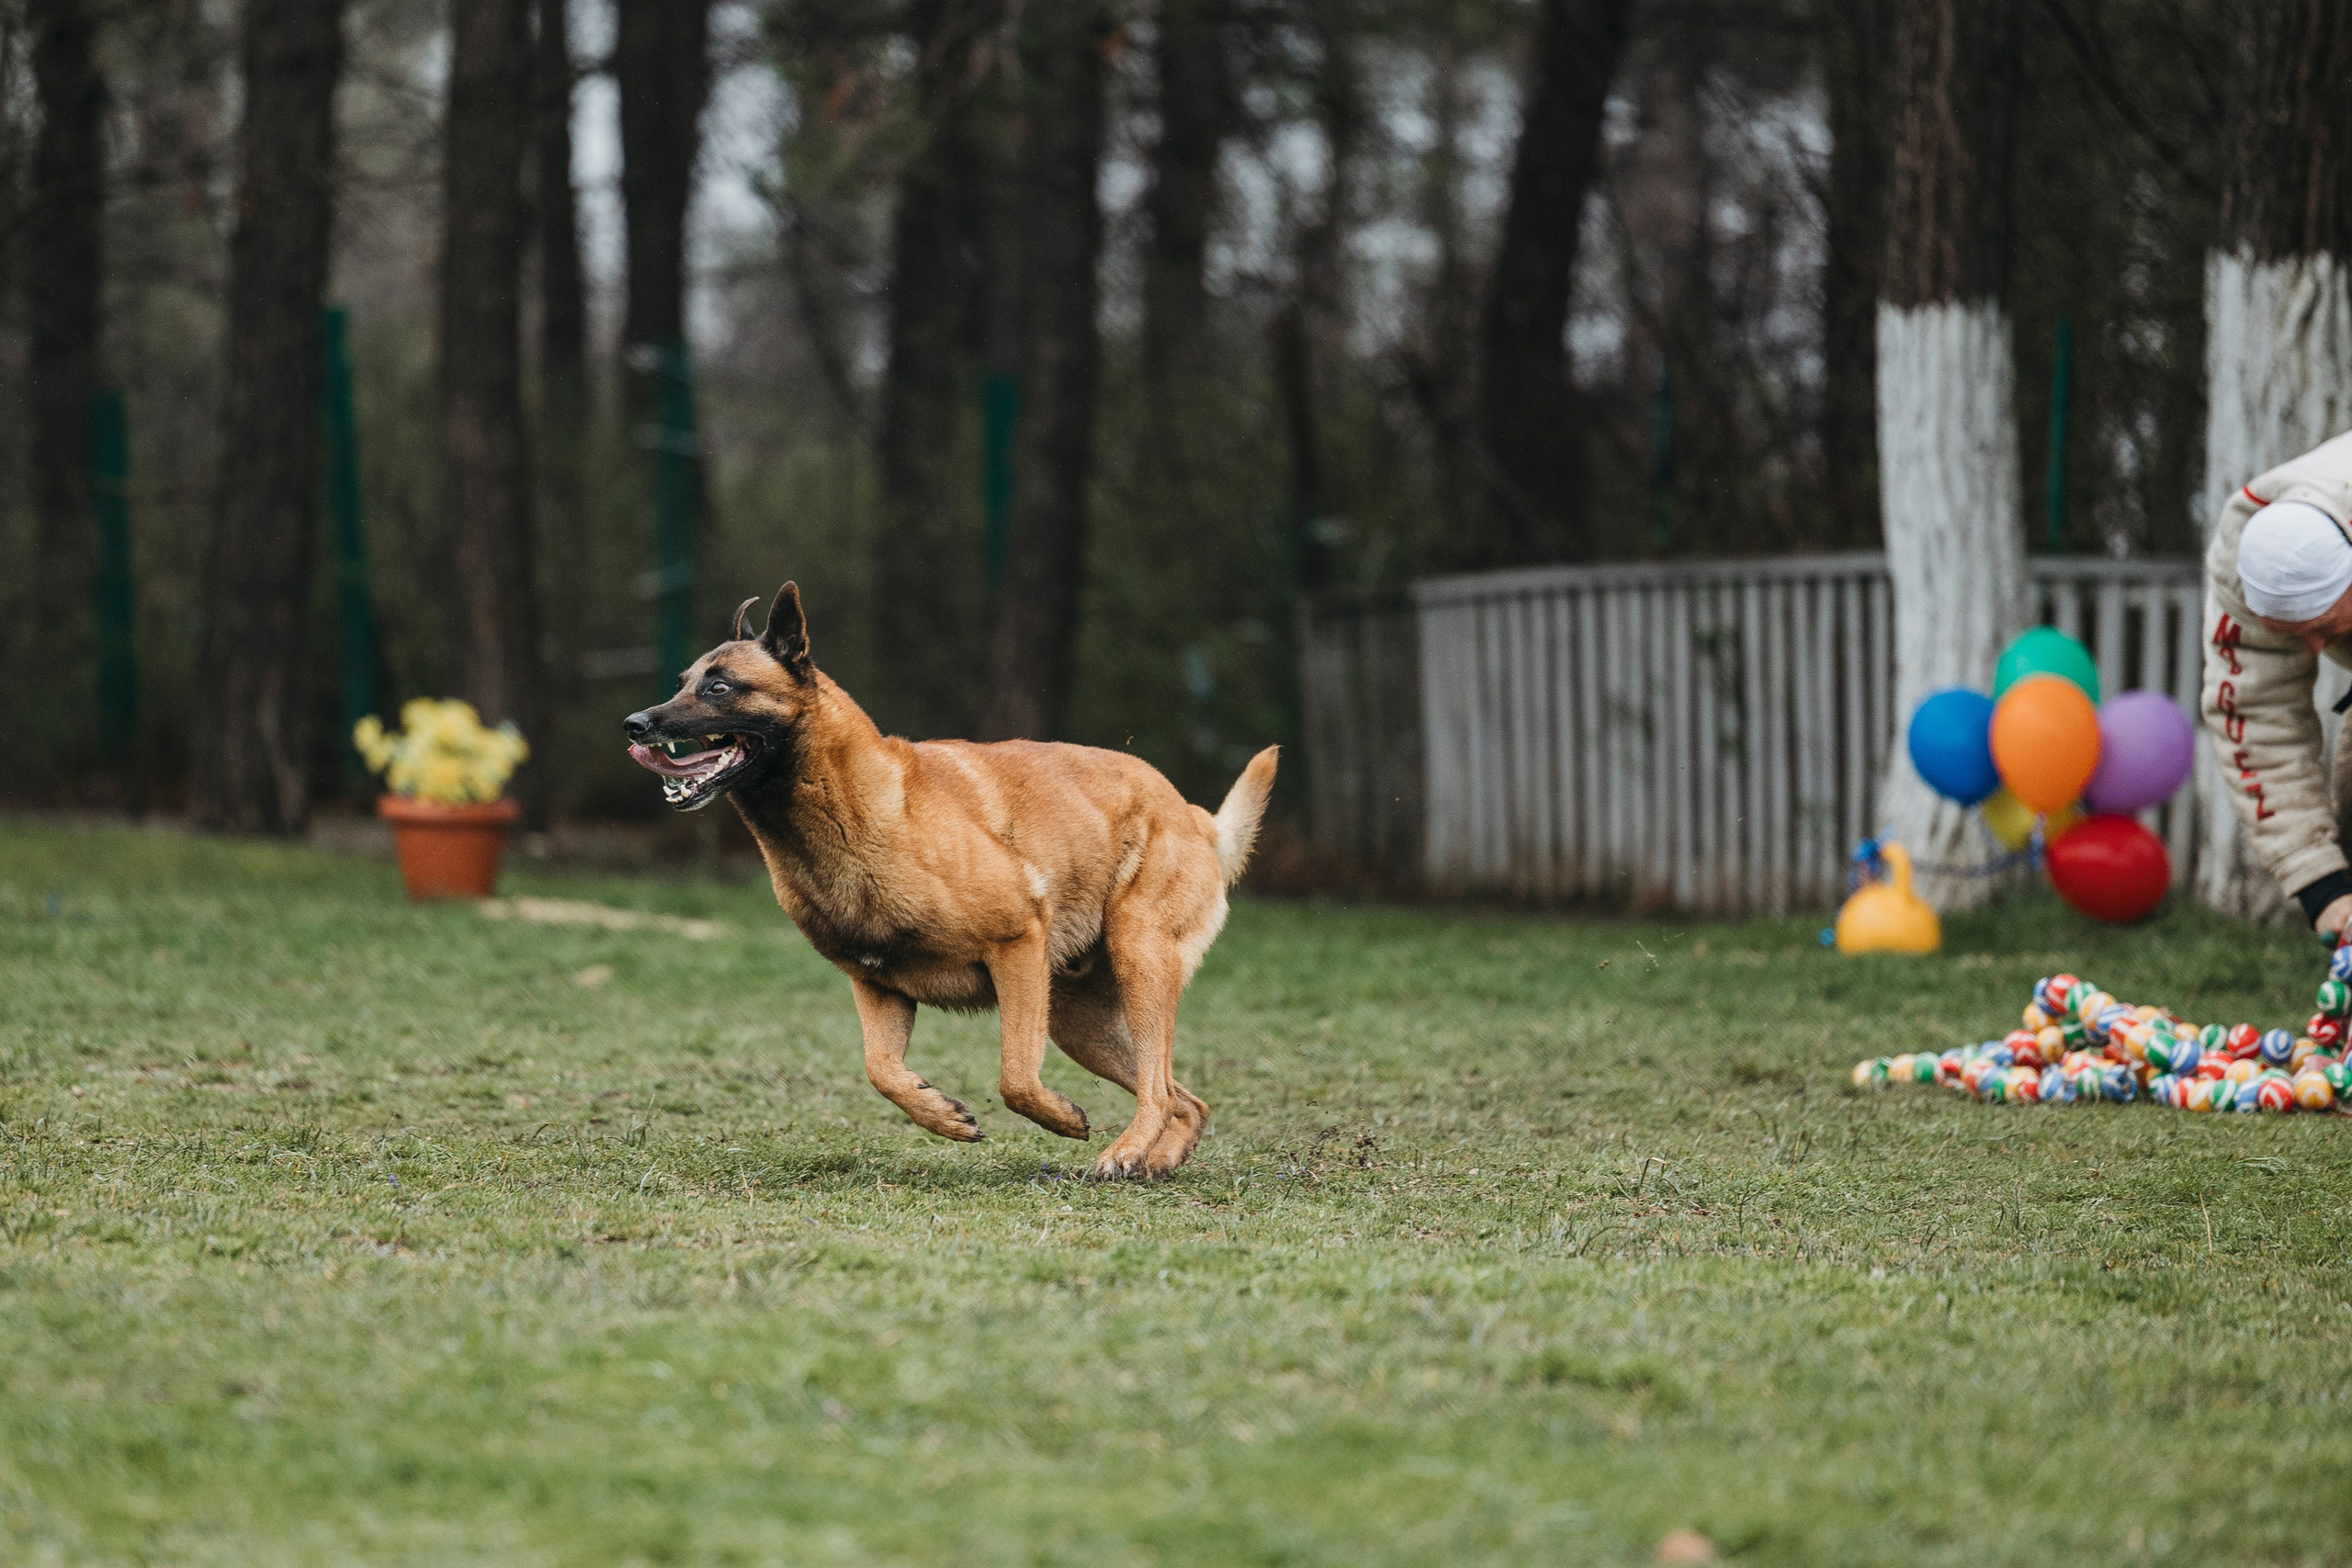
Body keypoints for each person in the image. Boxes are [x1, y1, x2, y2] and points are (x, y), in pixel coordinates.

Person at [2203, 429, 2352, 938]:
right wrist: (2322, 886)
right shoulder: (2241, 560)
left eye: (2325, 630)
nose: (2315, 651)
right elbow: (2255, 712)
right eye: (2294, 634)